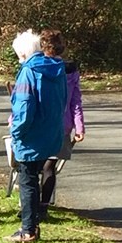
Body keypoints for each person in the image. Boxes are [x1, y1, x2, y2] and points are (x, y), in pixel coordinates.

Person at [8, 28, 67, 243]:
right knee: (35, 178)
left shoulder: (28, 72)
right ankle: (33, 226)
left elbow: (24, 109)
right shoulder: (58, 69)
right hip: (51, 134)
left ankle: (28, 229)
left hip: (31, 137)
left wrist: (15, 132)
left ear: (23, 54)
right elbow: (63, 102)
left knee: (27, 181)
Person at [40, 32, 84, 217]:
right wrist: (79, 126)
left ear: (43, 47)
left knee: (33, 166)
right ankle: (43, 207)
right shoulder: (70, 70)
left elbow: (27, 99)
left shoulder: (37, 67)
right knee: (50, 166)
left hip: (40, 124)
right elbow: (75, 101)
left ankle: (31, 206)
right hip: (62, 126)